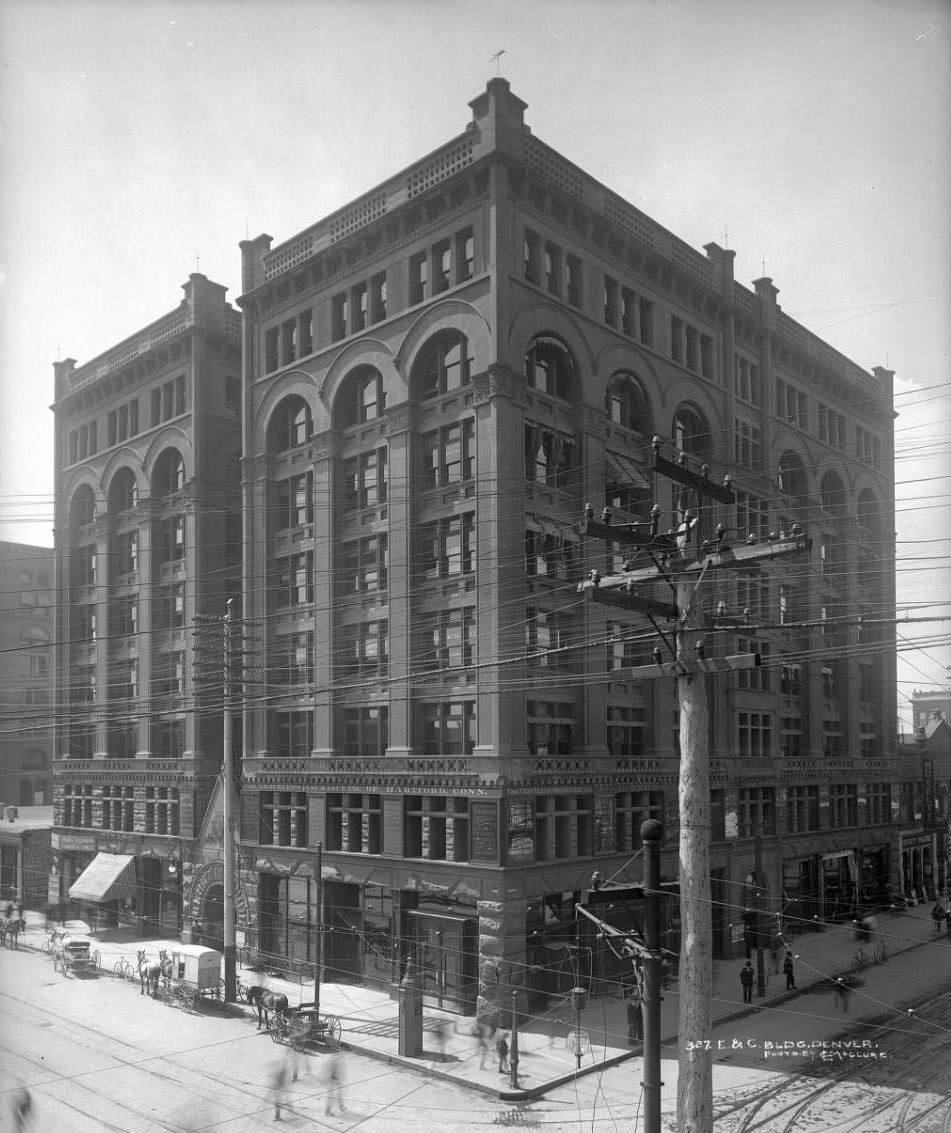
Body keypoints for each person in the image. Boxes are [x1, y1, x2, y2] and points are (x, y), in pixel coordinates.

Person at [324, 1050, 345, 1116]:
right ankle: (328, 1111)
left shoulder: (333, 1059)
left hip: (333, 1080)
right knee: (331, 1096)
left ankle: (340, 1106)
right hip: (333, 1081)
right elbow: (333, 1073)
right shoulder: (334, 1061)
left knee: (337, 1094)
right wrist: (336, 1080)